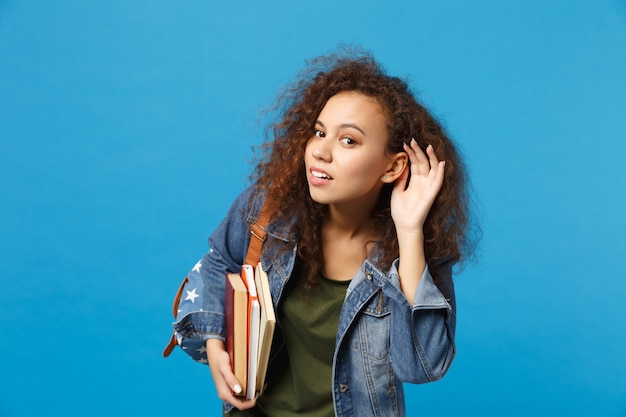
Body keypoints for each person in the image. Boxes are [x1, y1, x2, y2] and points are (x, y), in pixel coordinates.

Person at [166, 49, 475, 417]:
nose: (320, 153)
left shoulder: (415, 252)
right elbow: (219, 264)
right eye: (319, 132)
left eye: (349, 141)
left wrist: (409, 231)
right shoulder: (269, 211)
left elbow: (422, 367)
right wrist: (216, 346)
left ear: (393, 166)